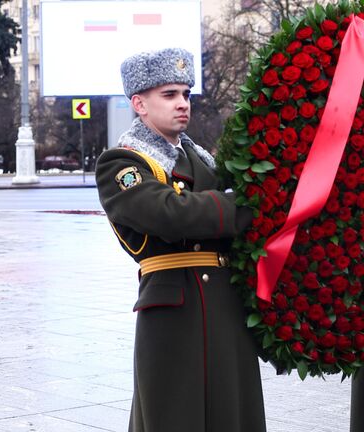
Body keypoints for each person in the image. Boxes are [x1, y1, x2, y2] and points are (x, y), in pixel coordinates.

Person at [95, 48, 265, 431]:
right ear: (139, 104)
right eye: (169, 95)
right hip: (175, 310)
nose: (183, 104)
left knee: (233, 415)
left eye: (186, 94)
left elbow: (193, 205)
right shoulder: (123, 162)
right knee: (174, 415)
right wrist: (245, 206)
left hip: (226, 305)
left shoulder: (204, 160)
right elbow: (169, 214)